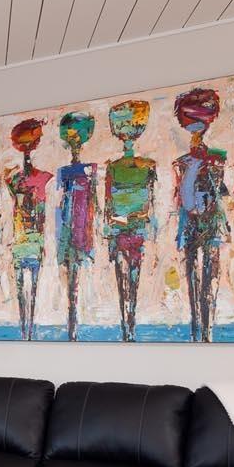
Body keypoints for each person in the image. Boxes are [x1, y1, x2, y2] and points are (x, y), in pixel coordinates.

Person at [171, 87, 227, 342]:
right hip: (193, 224)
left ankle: (206, 333)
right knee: (195, 275)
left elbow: (218, 194)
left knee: (208, 277)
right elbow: (183, 200)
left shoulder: (215, 159)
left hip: (209, 223)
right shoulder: (185, 162)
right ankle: (199, 331)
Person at [102, 99, 157, 341]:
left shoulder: (139, 166)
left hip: (126, 228)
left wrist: (121, 220)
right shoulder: (117, 167)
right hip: (127, 228)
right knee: (127, 276)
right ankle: (128, 325)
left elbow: (149, 203)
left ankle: (129, 324)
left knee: (128, 276)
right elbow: (109, 204)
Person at [3, 118, 53, 340]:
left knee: (29, 288)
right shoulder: (19, 179)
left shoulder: (37, 178)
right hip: (23, 238)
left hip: (30, 239)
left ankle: (28, 332)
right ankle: (26, 332)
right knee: (25, 288)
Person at [53, 111, 98, 341]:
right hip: (68, 232)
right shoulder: (64, 172)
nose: (75, 146)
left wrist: (88, 235)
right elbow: (59, 205)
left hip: (81, 230)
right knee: (70, 280)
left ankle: (74, 328)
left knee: (76, 281)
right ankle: (71, 327)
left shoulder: (90, 170)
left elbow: (94, 204)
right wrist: (60, 237)